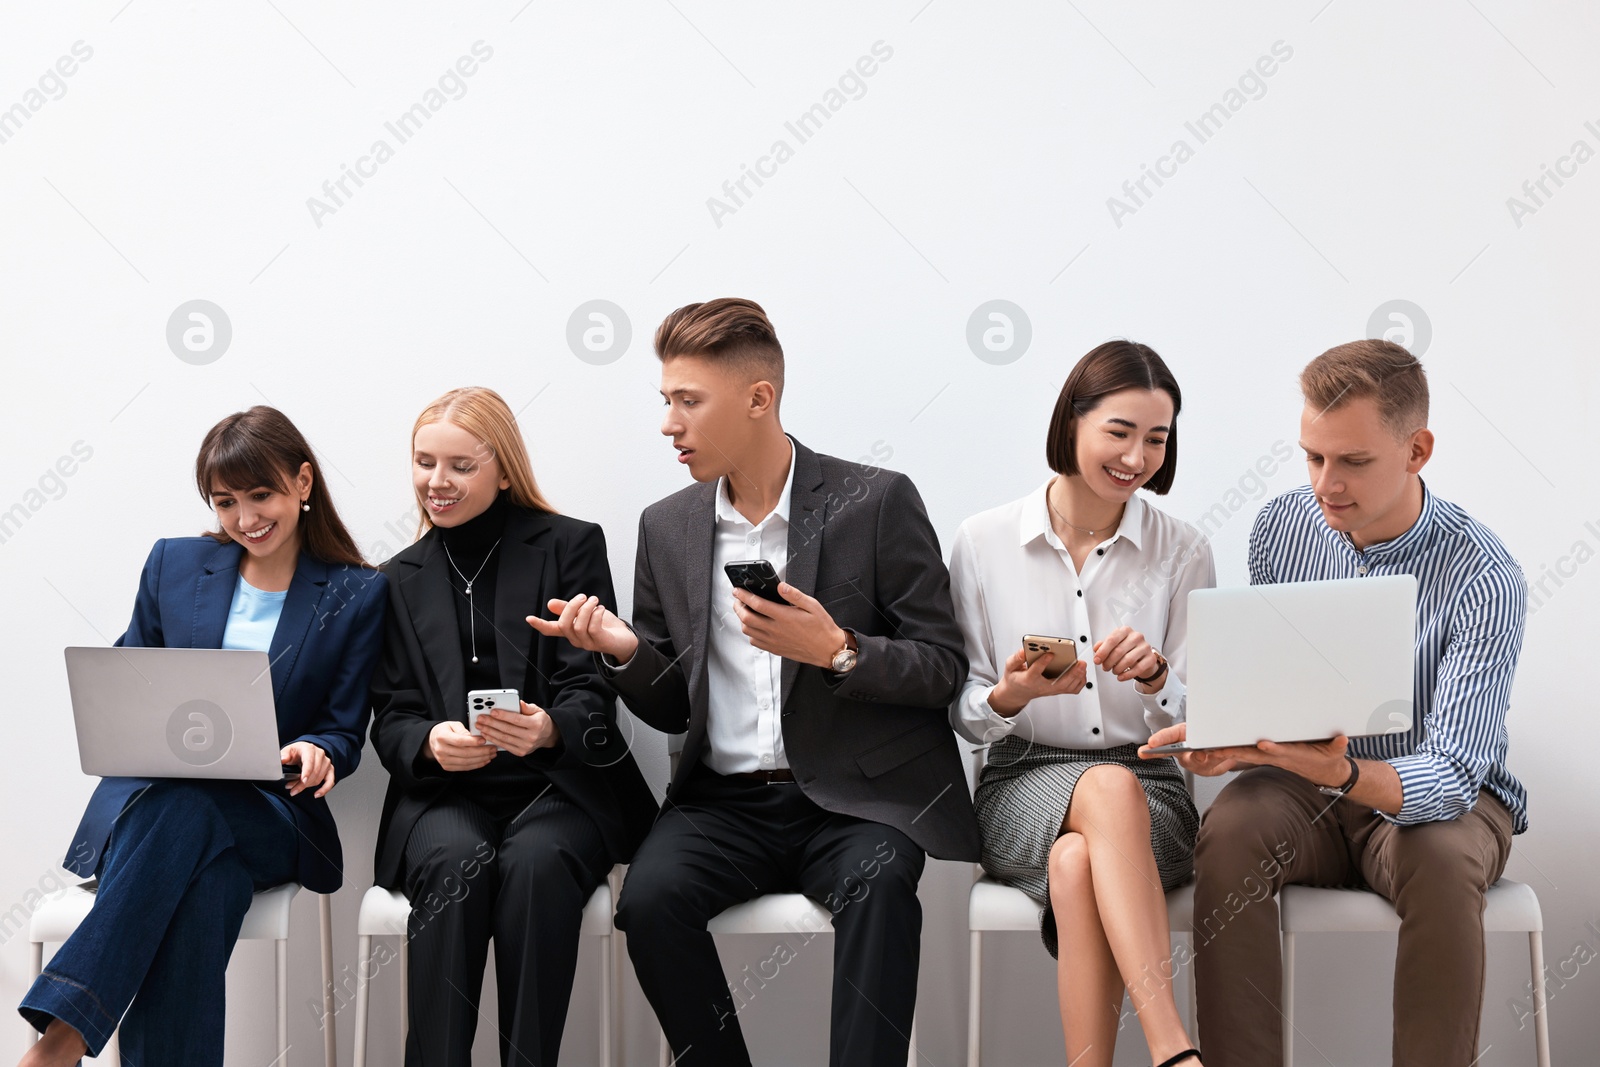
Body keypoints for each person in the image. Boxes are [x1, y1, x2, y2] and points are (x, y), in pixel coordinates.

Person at [530, 298, 981, 1067]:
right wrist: (622, 648)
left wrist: (835, 648)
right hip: (721, 805)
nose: (669, 423)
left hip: (851, 802)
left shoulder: (875, 500)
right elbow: (673, 706)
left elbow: (942, 668)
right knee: (648, 901)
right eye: (665, 400)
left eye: (688, 401)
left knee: (879, 888)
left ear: (758, 398)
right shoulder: (666, 525)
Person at [1142, 339, 1529, 1066]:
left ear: (1417, 450)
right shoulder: (1282, 528)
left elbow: (1450, 775)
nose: (1326, 482)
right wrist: (1237, 738)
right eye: (1313, 457)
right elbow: (1276, 690)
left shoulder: (1484, 574)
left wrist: (1346, 774)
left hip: (1437, 802)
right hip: (1309, 792)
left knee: (1440, 854)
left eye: (1352, 461)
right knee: (1231, 829)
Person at [18, 406, 388, 1067]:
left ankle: (63, 1035)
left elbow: (343, 727)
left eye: (261, 494)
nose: (245, 518)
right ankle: (67, 1036)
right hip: (168, 814)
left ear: (303, 483)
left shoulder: (356, 593)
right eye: (225, 501)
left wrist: (320, 750)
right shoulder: (175, 565)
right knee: (202, 884)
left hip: (272, 813)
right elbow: (131, 674)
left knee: (189, 811)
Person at [368, 387, 656, 1067]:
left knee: (536, 866)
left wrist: (550, 728)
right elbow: (393, 716)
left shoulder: (570, 545)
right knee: (452, 861)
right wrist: (430, 743)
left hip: (558, 788)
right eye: (423, 462)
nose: (436, 482)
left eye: (460, 466)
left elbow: (594, 688)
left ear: (503, 469)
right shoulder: (394, 579)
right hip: (447, 796)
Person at [950, 340, 1210, 1067]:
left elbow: (1203, 727)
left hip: (1152, 784)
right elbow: (961, 713)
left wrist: (1159, 680)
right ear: (1073, 421)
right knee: (1097, 791)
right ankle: (1173, 1049)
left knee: (1076, 860)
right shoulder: (983, 542)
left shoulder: (1183, 549)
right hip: (1019, 780)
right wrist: (1012, 693)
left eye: (1156, 438)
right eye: (1120, 431)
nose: (1138, 456)